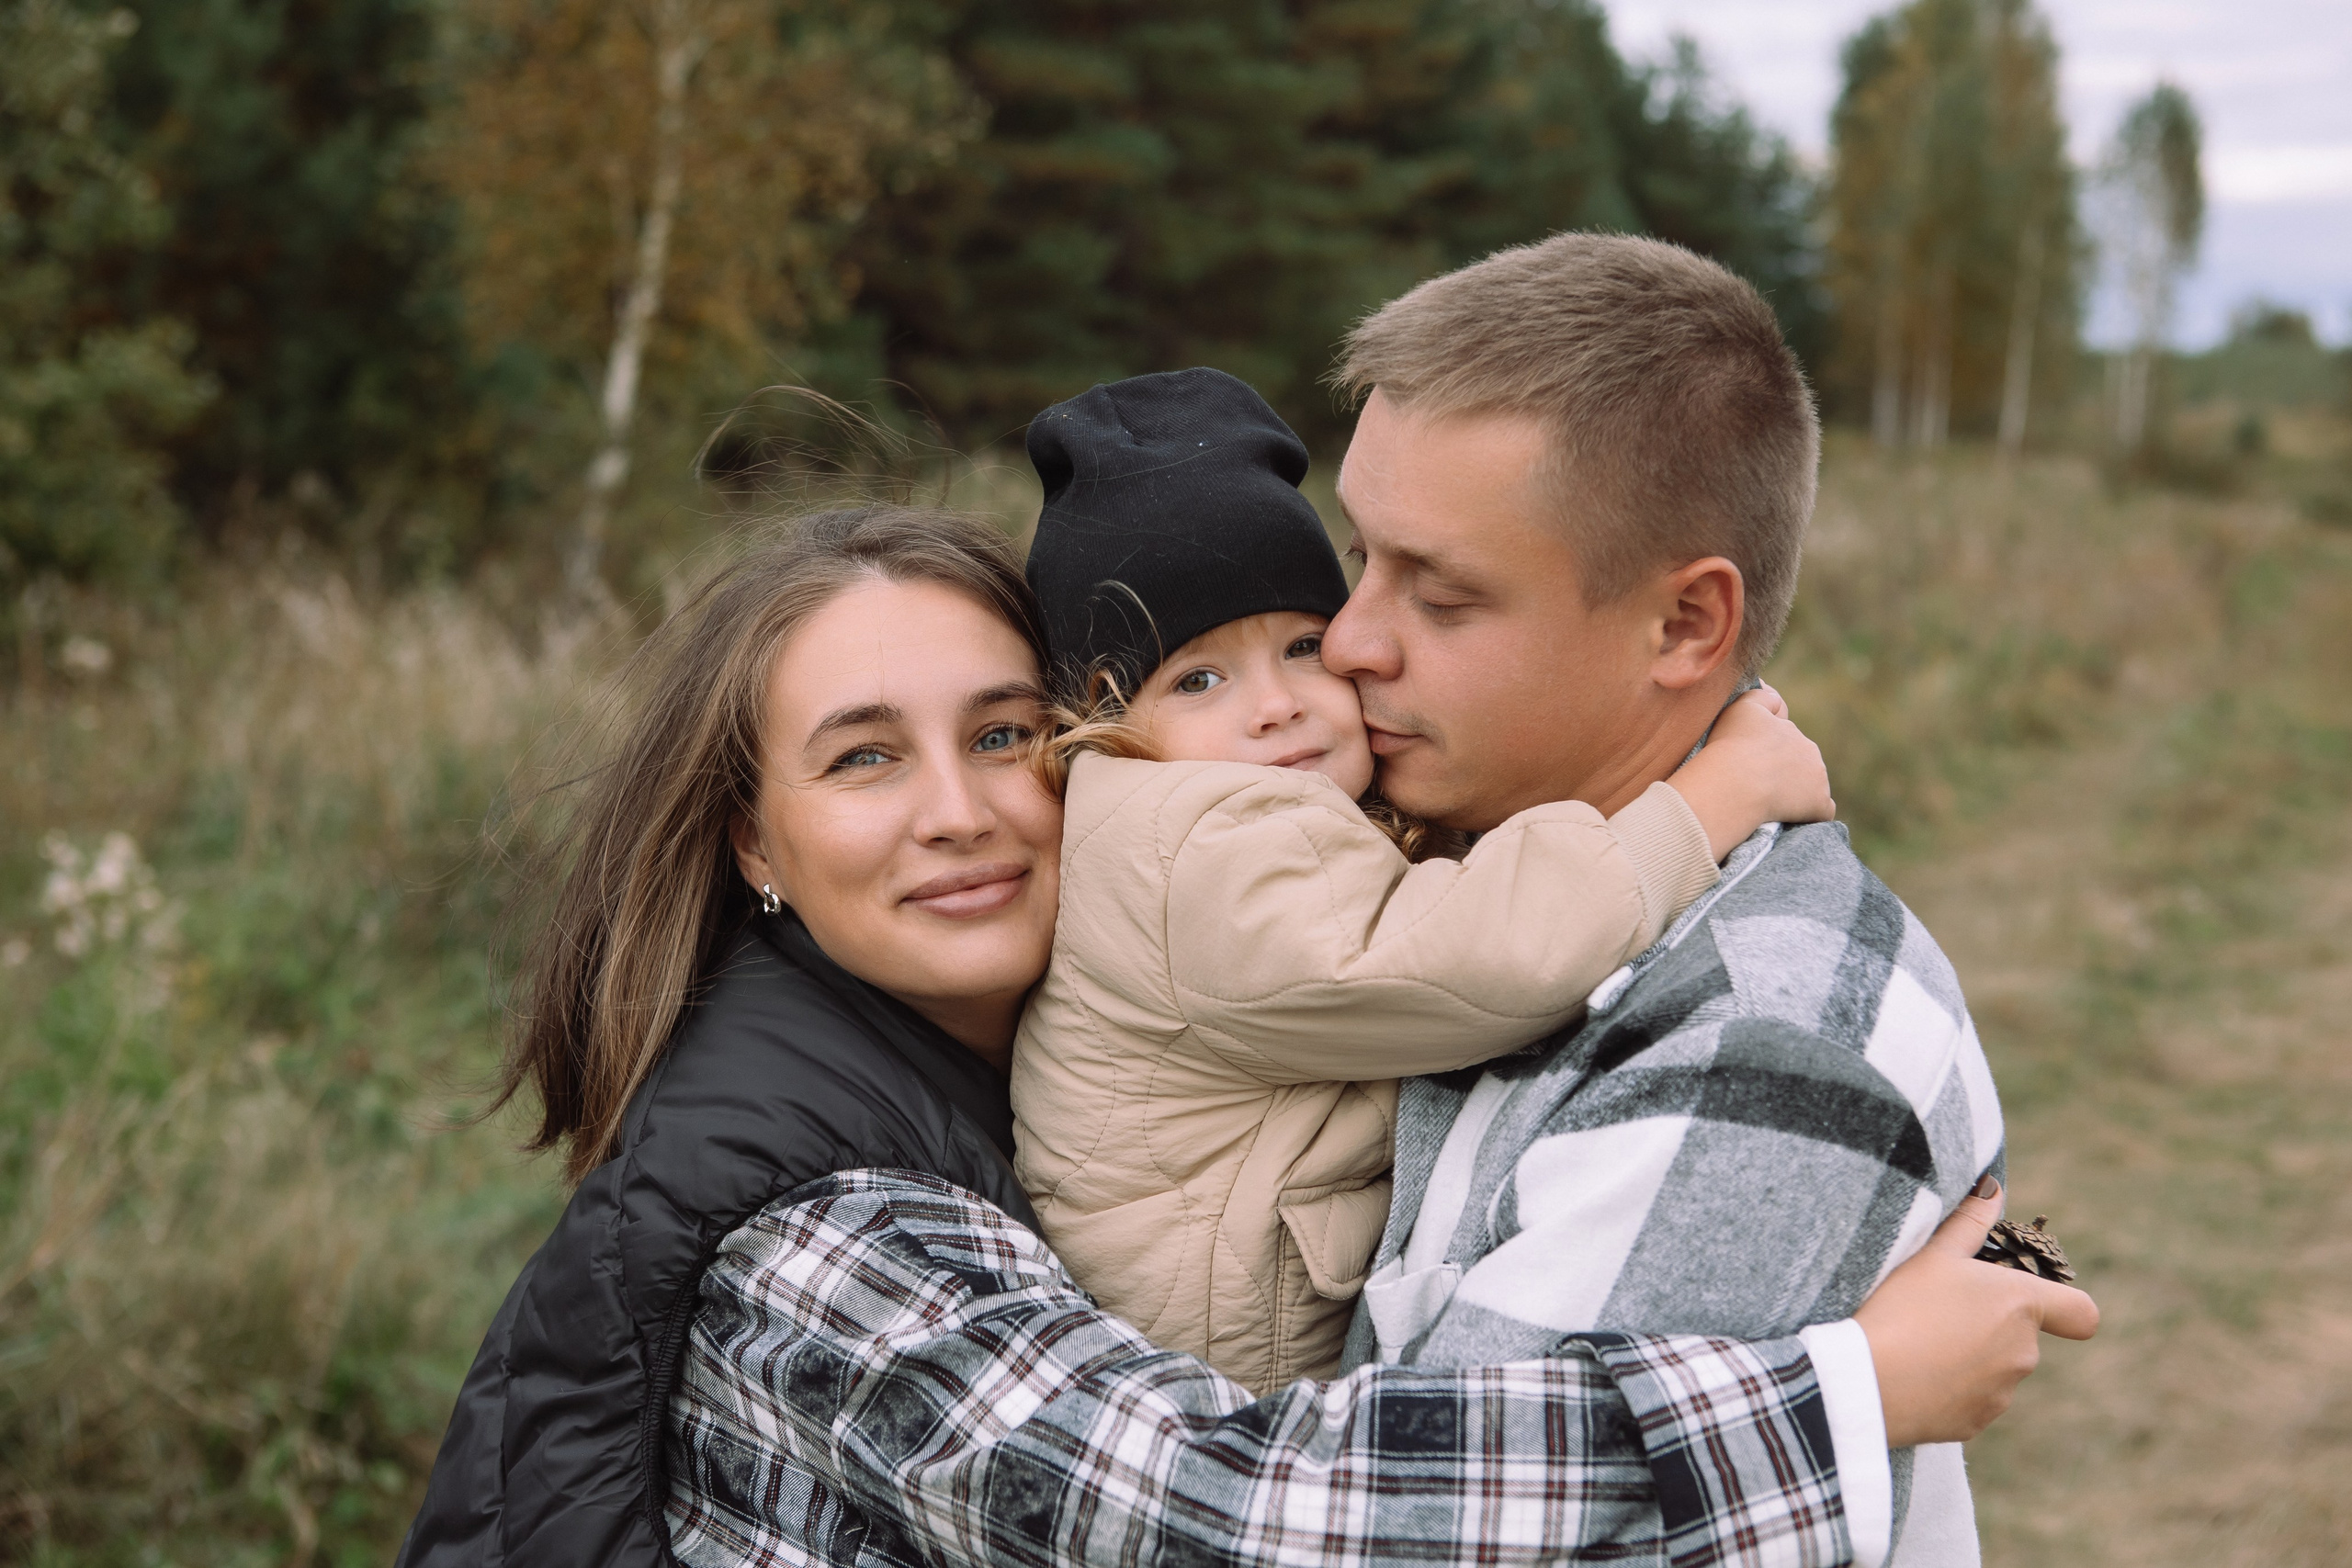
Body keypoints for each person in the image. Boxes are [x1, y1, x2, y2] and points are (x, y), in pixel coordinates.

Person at [401, 501, 2083, 1568]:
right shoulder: (827, 1233)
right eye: (862, 758)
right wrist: (1842, 1392)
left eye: (1004, 732)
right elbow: (1234, 1517)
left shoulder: (1000, 1076)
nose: (961, 811)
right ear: (754, 845)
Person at [1321, 234, 2023, 1564]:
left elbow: (1407, 1539)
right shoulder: (1451, 880)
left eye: (1443, 591)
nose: (1351, 637)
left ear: (1687, 627)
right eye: (1356, 554)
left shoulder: (1764, 1033)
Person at [1010, 366, 1834, 1394]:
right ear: (1103, 723)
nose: (1276, 706)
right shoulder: (1191, 845)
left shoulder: (1237, 812)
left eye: (1304, 646)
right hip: (1212, 1397)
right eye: (1198, 679)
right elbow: (1470, 957)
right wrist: (1707, 801)